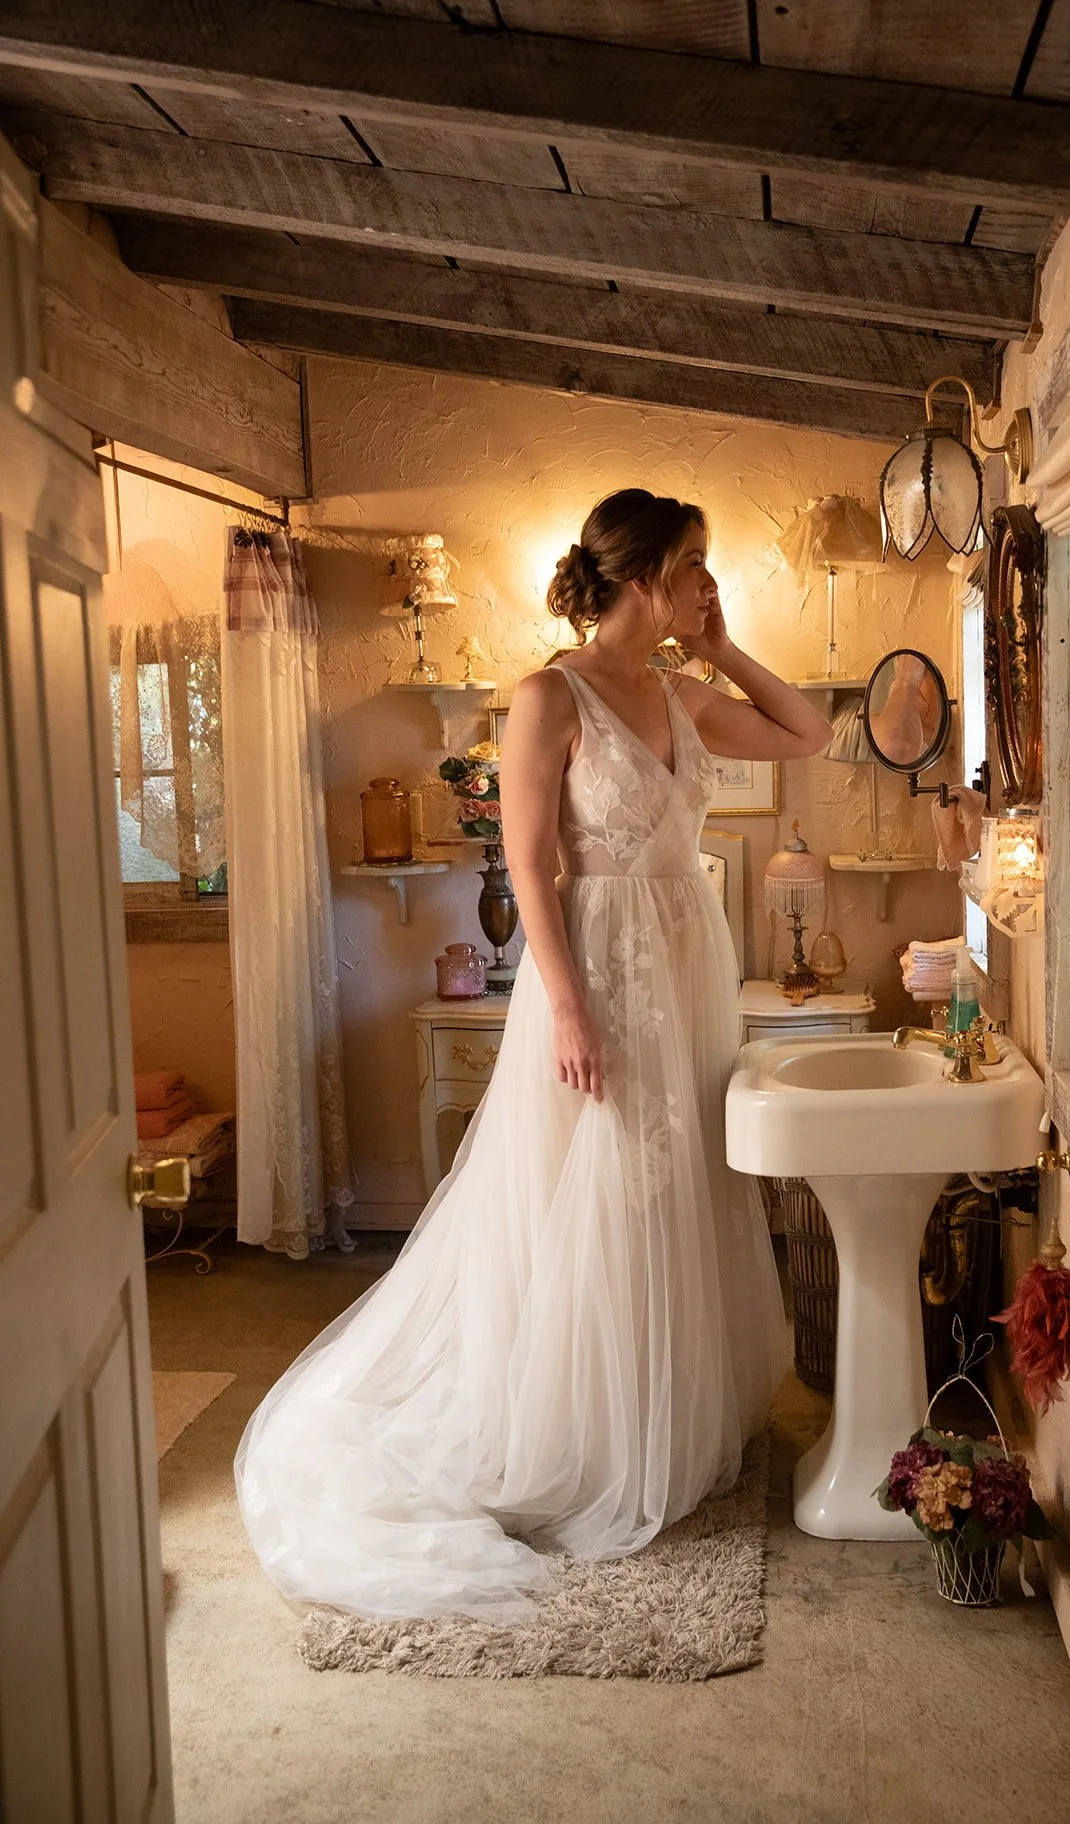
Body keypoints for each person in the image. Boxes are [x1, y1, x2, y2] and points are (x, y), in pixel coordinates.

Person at [235, 488, 834, 1622]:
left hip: (687, 957)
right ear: (639, 571)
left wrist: (723, 643)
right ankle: (586, 1431)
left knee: (680, 1181)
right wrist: (563, 1009)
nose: (709, 581)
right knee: (601, 1187)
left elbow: (806, 732)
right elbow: (526, 867)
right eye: (695, 564)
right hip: (597, 964)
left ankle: (663, 1414)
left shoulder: (680, 690)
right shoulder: (545, 694)